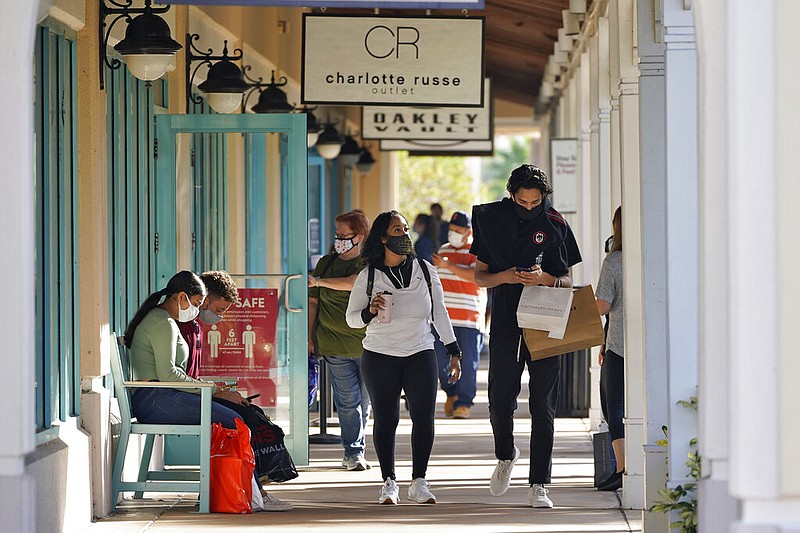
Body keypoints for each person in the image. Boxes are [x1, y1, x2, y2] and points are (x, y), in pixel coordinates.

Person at [128, 270, 291, 512]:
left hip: (162, 396)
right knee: (233, 421)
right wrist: (213, 390)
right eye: (195, 304)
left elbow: (175, 375)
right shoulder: (162, 322)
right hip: (157, 398)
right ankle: (251, 493)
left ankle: (247, 490)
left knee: (236, 415)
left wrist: (212, 389)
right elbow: (169, 375)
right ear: (180, 297)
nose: (197, 309)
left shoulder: (166, 321)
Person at [470, 164, 582, 509]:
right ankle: (506, 455)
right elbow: (480, 277)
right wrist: (505, 275)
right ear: (511, 195)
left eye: (536, 202)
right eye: (523, 201)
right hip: (505, 321)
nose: (530, 207)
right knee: (501, 400)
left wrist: (544, 279)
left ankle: (539, 483)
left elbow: (567, 282)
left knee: (543, 404)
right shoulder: (490, 219)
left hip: (545, 321)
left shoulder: (557, 224)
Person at [345, 211, 462, 506]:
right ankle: (389, 482)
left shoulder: (425, 269)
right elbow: (352, 320)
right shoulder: (368, 275)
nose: (405, 235)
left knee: (424, 417)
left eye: (407, 229)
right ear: (383, 238)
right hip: (380, 354)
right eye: (398, 230)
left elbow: (439, 313)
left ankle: (419, 481)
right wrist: (370, 310)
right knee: (387, 419)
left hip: (420, 351)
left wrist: (453, 351)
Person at [308, 210, 372, 472]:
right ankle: (353, 451)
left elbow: (354, 284)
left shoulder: (369, 264)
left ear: (360, 236)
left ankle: (357, 446)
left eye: (344, 235)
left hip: (369, 344)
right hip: (334, 342)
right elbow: (313, 302)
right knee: (348, 401)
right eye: (337, 235)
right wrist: (309, 336)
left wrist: (321, 282)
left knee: (365, 402)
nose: (339, 240)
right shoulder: (326, 262)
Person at [431, 210, 487, 419]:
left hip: (469, 319)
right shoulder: (443, 250)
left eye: (458, 230)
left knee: (468, 362)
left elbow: (477, 277)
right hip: (442, 318)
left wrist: (448, 266)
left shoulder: (478, 251)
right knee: (440, 360)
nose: (453, 233)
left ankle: (464, 402)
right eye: (452, 229)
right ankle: (451, 393)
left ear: (468, 231)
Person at [595, 206, 624, 492]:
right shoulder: (657, 254)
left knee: (613, 405)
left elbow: (603, 306)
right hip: (653, 345)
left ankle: (622, 467)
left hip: (619, 344)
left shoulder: (614, 261)